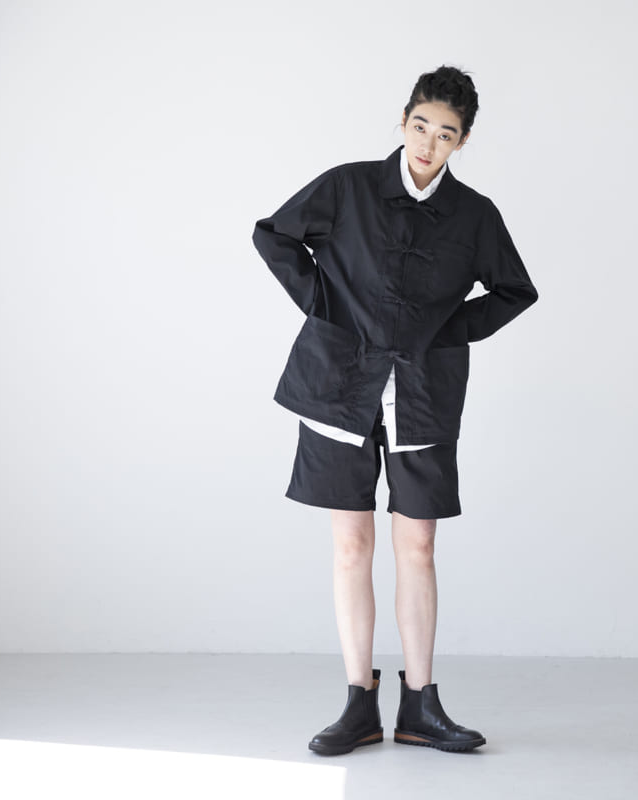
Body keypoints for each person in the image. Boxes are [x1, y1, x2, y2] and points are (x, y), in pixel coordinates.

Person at [252, 65, 538, 755]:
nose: (428, 144)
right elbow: (273, 235)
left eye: (446, 134)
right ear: (403, 121)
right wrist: (325, 305)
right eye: (420, 126)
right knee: (352, 547)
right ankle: (358, 703)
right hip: (337, 385)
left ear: (462, 141)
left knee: (419, 546)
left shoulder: (475, 216)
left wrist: (448, 330)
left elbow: (514, 290)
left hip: (423, 393)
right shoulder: (348, 187)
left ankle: (421, 705)